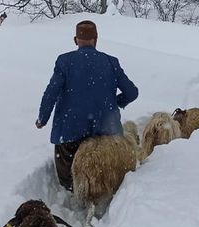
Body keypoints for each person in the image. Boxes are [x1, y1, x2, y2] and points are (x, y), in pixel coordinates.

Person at [36, 20, 139, 192]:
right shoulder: (111, 62)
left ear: (75, 40)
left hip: (70, 133)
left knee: (69, 183)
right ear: (96, 39)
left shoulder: (64, 61)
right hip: (106, 134)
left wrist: (42, 118)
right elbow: (132, 93)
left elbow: (51, 92)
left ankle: (70, 195)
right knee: (107, 176)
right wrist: (116, 102)